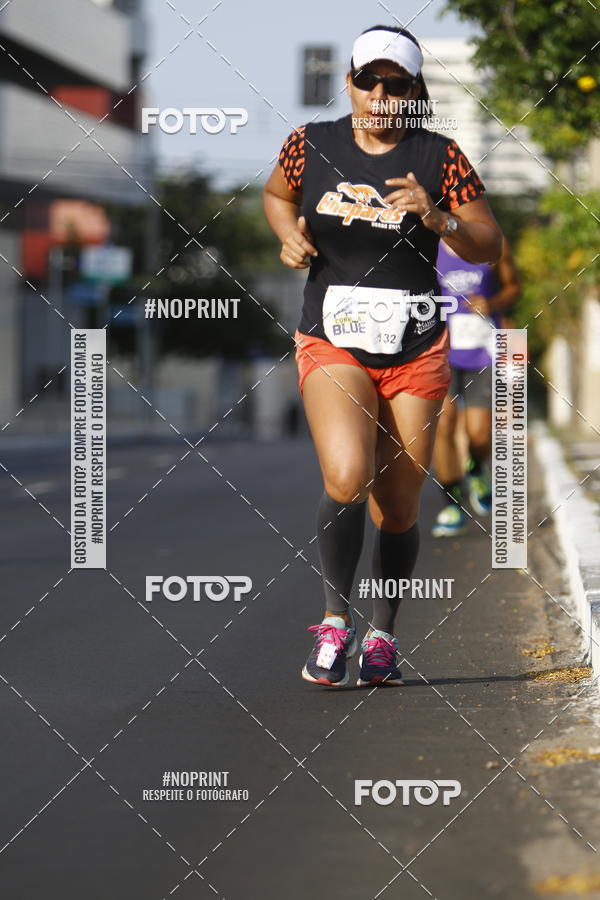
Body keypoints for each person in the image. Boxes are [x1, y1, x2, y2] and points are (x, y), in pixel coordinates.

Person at [263, 24, 502, 687]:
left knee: (398, 507)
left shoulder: (440, 157)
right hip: (333, 338)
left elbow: (489, 245)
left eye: (395, 84)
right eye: (368, 79)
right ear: (350, 81)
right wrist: (288, 235)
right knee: (347, 477)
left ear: (412, 91)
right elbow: (276, 196)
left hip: (416, 346)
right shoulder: (312, 145)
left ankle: (382, 634)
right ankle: (335, 623)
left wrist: (441, 220)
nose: (379, 93)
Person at [432, 238, 521, 536]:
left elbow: (514, 287)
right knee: (443, 424)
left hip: (484, 351)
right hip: (439, 351)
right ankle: (452, 503)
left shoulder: (494, 242)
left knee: (480, 434)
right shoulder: (426, 244)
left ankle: (476, 469)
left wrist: (491, 303)